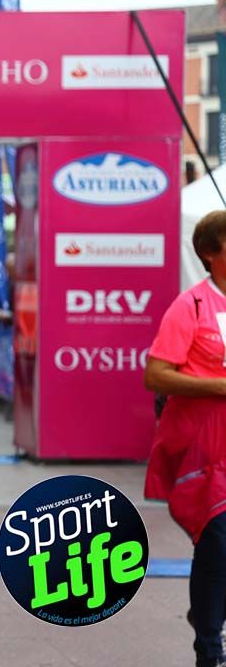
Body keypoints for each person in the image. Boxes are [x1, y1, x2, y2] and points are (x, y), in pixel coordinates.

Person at [144, 210, 226, 667]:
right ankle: (209, 648)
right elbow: (155, 375)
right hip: (203, 447)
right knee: (218, 540)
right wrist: (218, 385)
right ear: (210, 254)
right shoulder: (191, 305)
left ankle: (207, 614)